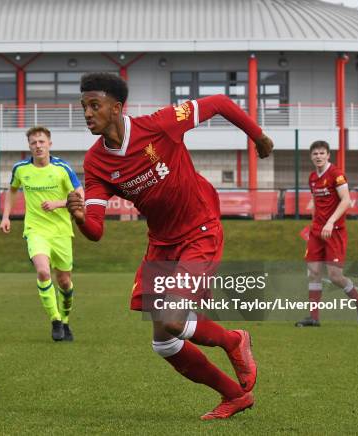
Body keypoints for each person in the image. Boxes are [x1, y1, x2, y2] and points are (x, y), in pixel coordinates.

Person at [67, 73, 274, 420]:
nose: (87, 113)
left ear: (116, 108)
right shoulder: (95, 163)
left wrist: (259, 136)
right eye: (83, 107)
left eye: (94, 105)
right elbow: (96, 231)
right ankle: (234, 396)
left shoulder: (159, 125)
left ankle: (233, 340)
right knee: (164, 341)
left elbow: (220, 103)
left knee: (174, 319)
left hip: (199, 229)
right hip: (161, 244)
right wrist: (78, 217)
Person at [0, 126, 83, 342]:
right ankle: (55, 320)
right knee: (44, 272)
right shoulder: (20, 169)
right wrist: (6, 216)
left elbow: (80, 195)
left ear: (50, 144)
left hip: (62, 232)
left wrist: (59, 203)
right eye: (34, 143)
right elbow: (12, 190)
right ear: (29, 146)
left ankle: (65, 321)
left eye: (41, 142)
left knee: (64, 282)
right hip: (35, 230)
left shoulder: (62, 168)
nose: (38, 146)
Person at [296, 140, 358, 327]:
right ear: (311, 157)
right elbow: (315, 200)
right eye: (315, 154)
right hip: (317, 232)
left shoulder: (336, 174)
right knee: (313, 272)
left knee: (335, 276)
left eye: (322, 153)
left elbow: (346, 201)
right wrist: (314, 220)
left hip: (334, 231)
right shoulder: (312, 177)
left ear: (328, 155)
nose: (318, 156)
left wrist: (330, 221)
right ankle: (314, 318)